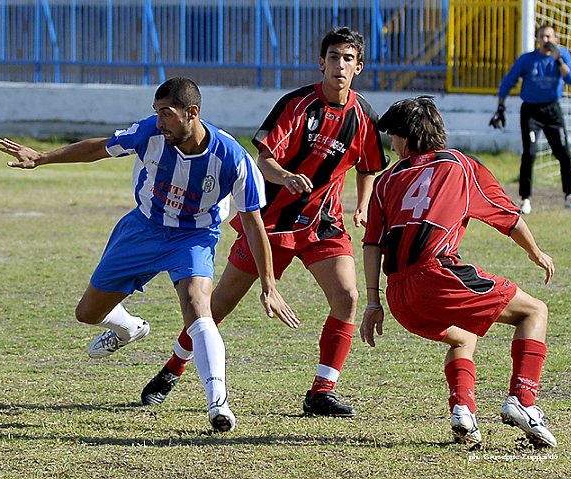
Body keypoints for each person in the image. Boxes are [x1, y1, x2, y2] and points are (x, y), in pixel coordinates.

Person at [0, 77, 298, 432]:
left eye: (166, 114)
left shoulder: (233, 158)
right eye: (156, 113)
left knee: (197, 307)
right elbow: (100, 147)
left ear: (192, 113)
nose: (159, 122)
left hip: (193, 237)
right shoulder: (150, 134)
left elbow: (253, 225)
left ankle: (218, 401)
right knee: (87, 313)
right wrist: (42, 157)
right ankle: (128, 328)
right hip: (142, 229)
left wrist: (269, 284)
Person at [128, 26, 388, 417]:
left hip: (323, 224)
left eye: (347, 59)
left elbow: (369, 165)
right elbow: (263, 159)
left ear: (359, 67)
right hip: (272, 224)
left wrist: (363, 204)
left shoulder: (364, 116)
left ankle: (322, 390)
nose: (339, 65)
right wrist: (284, 177)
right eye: (333, 57)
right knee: (214, 309)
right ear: (322, 62)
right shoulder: (298, 105)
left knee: (347, 297)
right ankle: (172, 370)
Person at [361, 96, 557, 447]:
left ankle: (463, 411)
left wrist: (373, 302)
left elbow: (372, 244)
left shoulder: (385, 182)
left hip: (399, 295)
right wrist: (536, 252)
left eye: (392, 135)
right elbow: (507, 217)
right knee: (534, 311)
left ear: (406, 137)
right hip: (437, 275)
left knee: (464, 335)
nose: (391, 142)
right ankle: (524, 403)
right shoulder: (459, 164)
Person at [490, 24, 571, 214]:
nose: (546, 40)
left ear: (556, 40)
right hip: (531, 111)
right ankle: (525, 198)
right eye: (543, 36)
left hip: (552, 111)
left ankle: (570, 195)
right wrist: (500, 106)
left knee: (563, 152)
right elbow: (509, 81)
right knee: (530, 153)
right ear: (537, 39)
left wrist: (558, 60)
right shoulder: (527, 60)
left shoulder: (562, 56)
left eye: (549, 37)